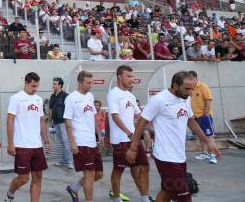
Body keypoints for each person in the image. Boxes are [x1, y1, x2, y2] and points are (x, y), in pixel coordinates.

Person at [127, 71, 221, 202]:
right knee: (185, 198)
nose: (190, 92)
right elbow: (141, 123)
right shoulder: (159, 100)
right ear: (175, 86)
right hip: (166, 157)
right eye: (187, 88)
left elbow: (191, 121)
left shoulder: (185, 98)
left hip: (180, 156)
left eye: (192, 88)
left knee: (167, 191)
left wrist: (208, 142)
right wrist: (133, 148)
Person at [106, 65, 152, 202]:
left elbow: (140, 115)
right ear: (120, 77)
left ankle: (144, 198)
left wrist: (155, 127)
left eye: (133, 76)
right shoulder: (113, 94)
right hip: (121, 140)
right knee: (118, 171)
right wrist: (128, 133)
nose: (132, 79)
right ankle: (116, 199)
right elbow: (114, 116)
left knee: (144, 167)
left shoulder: (130, 95)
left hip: (134, 139)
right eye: (128, 76)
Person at [5, 72, 50, 202]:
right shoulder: (16, 98)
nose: (35, 89)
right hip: (22, 145)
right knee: (23, 179)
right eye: (33, 86)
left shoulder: (38, 99)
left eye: (37, 86)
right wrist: (10, 143)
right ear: (26, 83)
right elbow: (10, 120)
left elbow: (41, 121)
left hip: (37, 146)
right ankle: (10, 192)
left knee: (38, 177)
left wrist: (46, 141)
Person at [64, 70, 104, 202]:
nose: (91, 85)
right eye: (88, 83)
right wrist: (72, 143)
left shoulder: (90, 96)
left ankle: (74, 188)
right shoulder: (71, 98)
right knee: (90, 174)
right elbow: (68, 122)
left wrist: (99, 135)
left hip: (92, 141)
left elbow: (93, 117)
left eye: (91, 82)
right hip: (80, 141)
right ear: (80, 83)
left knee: (98, 174)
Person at [188, 70, 217, 164]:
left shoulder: (203, 86)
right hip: (194, 116)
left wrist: (206, 114)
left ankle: (213, 155)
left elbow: (208, 100)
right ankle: (204, 153)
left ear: (195, 78)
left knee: (209, 135)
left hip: (204, 115)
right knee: (201, 136)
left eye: (191, 79)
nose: (189, 81)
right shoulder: (190, 89)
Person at [48, 77, 73, 169]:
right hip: (56, 122)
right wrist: (50, 122)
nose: (53, 85)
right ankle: (64, 159)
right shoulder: (52, 96)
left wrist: (68, 123)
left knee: (66, 142)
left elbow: (70, 110)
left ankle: (70, 161)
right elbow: (50, 109)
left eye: (55, 84)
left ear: (60, 85)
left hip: (63, 123)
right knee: (62, 142)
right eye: (53, 83)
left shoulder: (65, 96)